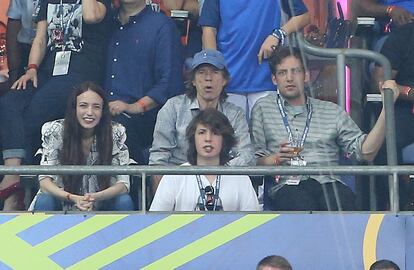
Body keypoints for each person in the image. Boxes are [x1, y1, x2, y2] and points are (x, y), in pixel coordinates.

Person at [251, 46, 400, 211]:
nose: (289, 78)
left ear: (306, 76)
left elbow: (366, 152)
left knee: (342, 202)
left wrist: (387, 108)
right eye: (282, 73)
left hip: (328, 182)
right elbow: (255, 162)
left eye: (296, 71)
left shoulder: (331, 110)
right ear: (274, 79)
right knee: (300, 204)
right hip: (287, 185)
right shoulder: (263, 108)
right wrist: (276, 159)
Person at [0, 0, 111, 210]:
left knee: (33, 114)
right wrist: (31, 68)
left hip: (80, 73)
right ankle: (13, 173)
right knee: (10, 103)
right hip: (49, 70)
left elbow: (91, 16)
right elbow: (41, 38)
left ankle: (17, 192)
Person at [149, 49, 255, 191]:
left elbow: (247, 156)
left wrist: (215, 172)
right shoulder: (172, 107)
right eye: (201, 72)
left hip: (223, 182)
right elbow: (158, 159)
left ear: (225, 80)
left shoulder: (235, 114)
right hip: (180, 183)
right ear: (192, 80)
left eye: (214, 72)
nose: (208, 78)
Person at [29, 81, 134, 211]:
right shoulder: (55, 130)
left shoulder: (116, 132)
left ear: (103, 111)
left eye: (96, 107)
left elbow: (123, 184)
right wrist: (73, 198)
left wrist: (93, 197)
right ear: (74, 109)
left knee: (124, 201)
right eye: (83, 106)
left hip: (101, 202)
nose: (89, 112)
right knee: (44, 200)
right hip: (63, 201)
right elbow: (45, 183)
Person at [199, 0, 310, 118]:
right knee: (229, 134)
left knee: (266, 135)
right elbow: (208, 30)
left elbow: (304, 16)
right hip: (228, 78)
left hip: (265, 77)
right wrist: (216, 72)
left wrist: (278, 34)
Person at [104, 0, 183, 164]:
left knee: (115, 132)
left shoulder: (162, 25)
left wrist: (133, 107)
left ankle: (129, 188)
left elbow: (168, 83)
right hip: (99, 112)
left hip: (142, 118)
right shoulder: (106, 23)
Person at [150, 108, 259, 211]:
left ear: (224, 140)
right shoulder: (174, 176)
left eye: (215, 133)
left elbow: (255, 225)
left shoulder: (240, 178)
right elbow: (155, 220)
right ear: (193, 137)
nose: (208, 139)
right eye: (202, 132)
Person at [372, 22, 414, 209]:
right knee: (383, 139)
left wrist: (406, 90)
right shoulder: (403, 36)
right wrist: (403, 92)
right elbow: (381, 82)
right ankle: (398, 206)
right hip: (407, 110)